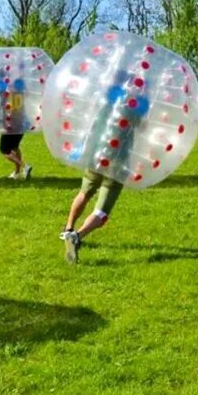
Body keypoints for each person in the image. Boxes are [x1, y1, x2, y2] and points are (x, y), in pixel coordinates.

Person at [60, 71, 145, 264]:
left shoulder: (103, 101)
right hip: (117, 163)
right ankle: (77, 236)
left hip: (96, 156)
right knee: (102, 211)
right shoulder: (132, 106)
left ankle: (68, 229)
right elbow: (142, 125)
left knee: (84, 192)